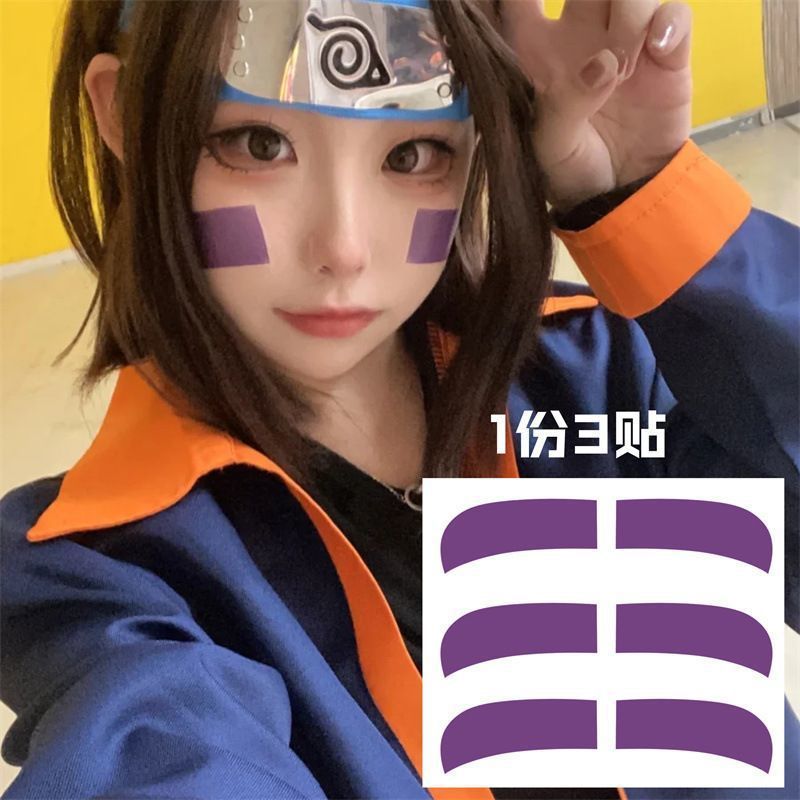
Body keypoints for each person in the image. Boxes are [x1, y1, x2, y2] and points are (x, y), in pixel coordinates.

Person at [0, 1, 797, 798]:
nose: (343, 249)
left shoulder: (600, 384)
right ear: (125, 113)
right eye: (258, 144)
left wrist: (647, 202)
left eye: (412, 153)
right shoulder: (108, 576)